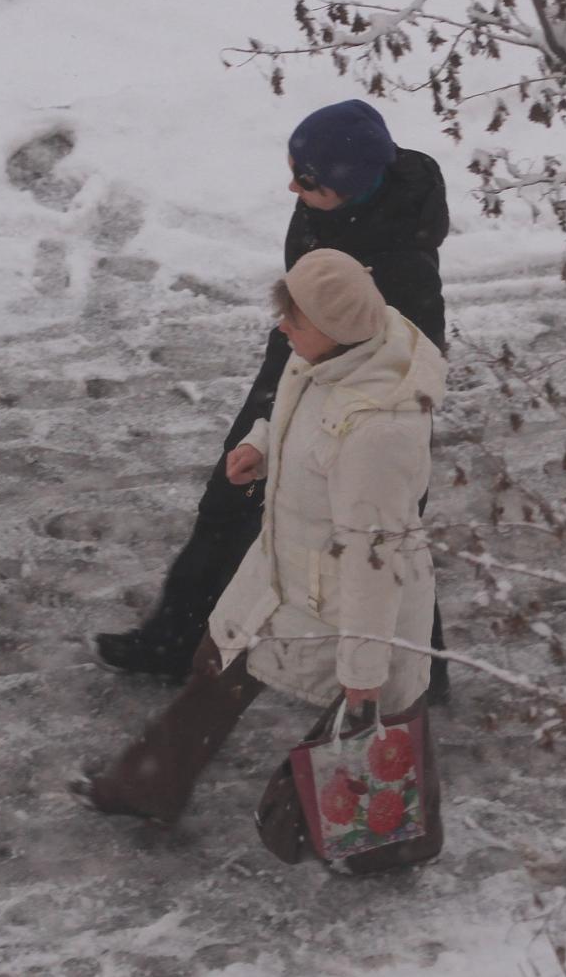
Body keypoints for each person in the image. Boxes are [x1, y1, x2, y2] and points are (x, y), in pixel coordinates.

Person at [77, 250, 445, 866]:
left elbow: (372, 557)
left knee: (382, 720)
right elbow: (304, 415)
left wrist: (363, 668)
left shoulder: (379, 434)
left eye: (293, 321)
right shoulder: (334, 354)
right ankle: (145, 785)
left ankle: (392, 850)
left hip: (349, 604)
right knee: (216, 666)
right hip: (285, 574)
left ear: (332, 329)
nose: (282, 331)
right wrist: (261, 445)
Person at [92, 100, 452, 698]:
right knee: (236, 500)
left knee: (377, 533)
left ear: (351, 186)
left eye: (307, 181)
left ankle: (414, 675)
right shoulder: (333, 204)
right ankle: (176, 640)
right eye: (293, 170)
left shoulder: (401, 266)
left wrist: (314, 424)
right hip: (296, 362)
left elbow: (405, 365)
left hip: (347, 397)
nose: (292, 186)